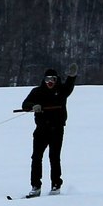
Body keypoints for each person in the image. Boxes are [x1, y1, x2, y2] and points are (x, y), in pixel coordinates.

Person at [21, 63, 78, 197]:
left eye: (52, 79)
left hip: (57, 129)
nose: (50, 82)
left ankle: (56, 185)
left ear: (56, 79)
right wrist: (33, 106)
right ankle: (35, 186)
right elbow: (25, 104)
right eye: (47, 79)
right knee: (36, 157)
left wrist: (72, 76)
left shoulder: (62, 91)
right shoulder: (37, 92)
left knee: (54, 157)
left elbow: (69, 87)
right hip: (41, 130)